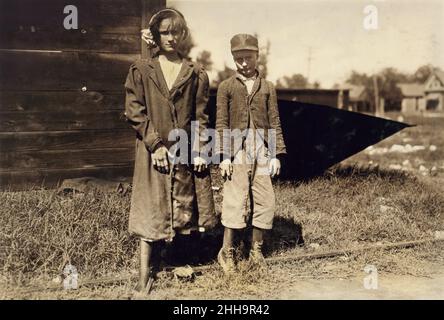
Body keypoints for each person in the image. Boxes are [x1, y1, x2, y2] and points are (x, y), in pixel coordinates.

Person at [124, 8, 216, 293]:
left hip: (184, 149)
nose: (171, 38)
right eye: (164, 32)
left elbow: (201, 117)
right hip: (153, 150)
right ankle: (145, 273)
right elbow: (134, 110)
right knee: (151, 206)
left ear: (184, 35)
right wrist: (154, 144)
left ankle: (180, 260)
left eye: (176, 32)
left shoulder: (196, 73)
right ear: (155, 36)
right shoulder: (142, 69)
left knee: (184, 204)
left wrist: (200, 148)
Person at [215, 34, 287, 274]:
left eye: (248, 57)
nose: (244, 63)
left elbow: (274, 120)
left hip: (262, 151)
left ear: (258, 56)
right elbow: (222, 122)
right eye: (239, 59)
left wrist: (275, 153)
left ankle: (256, 251)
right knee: (236, 201)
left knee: (266, 201)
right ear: (233, 59)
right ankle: (227, 253)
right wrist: (224, 156)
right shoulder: (226, 87)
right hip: (237, 151)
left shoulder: (267, 87)